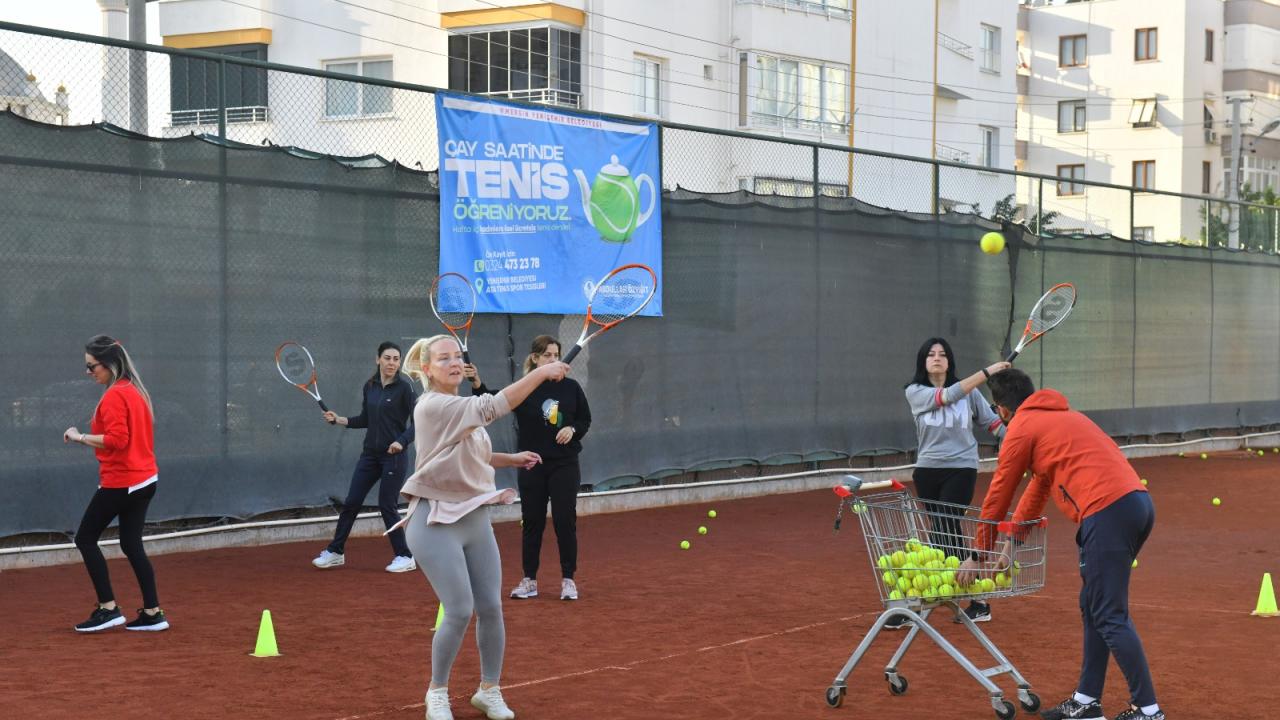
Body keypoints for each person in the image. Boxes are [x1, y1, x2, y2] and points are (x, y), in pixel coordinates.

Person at [956, 368, 1163, 720]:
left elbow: (998, 494)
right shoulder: (1062, 418)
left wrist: (978, 554)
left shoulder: (1022, 428)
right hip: (1136, 506)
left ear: (1002, 410)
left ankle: (1149, 710)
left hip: (1107, 511)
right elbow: (1038, 488)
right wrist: (1010, 546)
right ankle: (1086, 701)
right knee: (1093, 605)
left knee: (1109, 614)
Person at [395, 334, 569, 720]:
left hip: (473, 517)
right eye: (443, 359)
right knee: (458, 609)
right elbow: (494, 405)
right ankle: (437, 693)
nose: (454, 363)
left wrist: (509, 458)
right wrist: (541, 373)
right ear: (426, 368)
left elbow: (471, 451)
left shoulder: (457, 407)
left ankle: (489, 690)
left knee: (491, 607)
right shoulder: (433, 406)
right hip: (434, 521)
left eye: (457, 356)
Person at [469, 336, 591, 602]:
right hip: (532, 464)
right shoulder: (523, 389)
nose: (553, 360)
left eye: (556, 355)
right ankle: (529, 580)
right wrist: (477, 384)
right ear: (535, 358)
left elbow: (585, 420)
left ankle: (568, 580)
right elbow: (491, 403)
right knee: (532, 522)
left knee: (564, 521)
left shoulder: (572, 388)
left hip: (564, 464)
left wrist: (572, 429)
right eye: (547, 355)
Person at [897, 337, 1009, 628]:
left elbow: (993, 424)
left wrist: (1016, 442)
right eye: (931, 354)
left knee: (946, 523)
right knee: (942, 529)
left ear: (950, 361)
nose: (937, 358)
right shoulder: (915, 392)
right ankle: (968, 598)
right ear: (923, 362)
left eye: (943, 354)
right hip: (927, 470)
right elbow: (945, 397)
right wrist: (987, 373)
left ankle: (951, 599)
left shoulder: (971, 394)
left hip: (961, 468)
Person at [62, 335, 168, 633]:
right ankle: (153, 612)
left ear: (109, 363)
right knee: (131, 543)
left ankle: (108, 609)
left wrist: (79, 436)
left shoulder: (114, 396)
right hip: (145, 479)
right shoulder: (134, 391)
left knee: (85, 538)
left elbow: (118, 441)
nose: (88, 372)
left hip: (123, 481)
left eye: (92, 366)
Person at [313, 341, 418, 573]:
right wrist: (340, 419)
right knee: (351, 502)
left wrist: (401, 442)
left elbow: (419, 422)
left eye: (396, 359)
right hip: (370, 455)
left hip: (394, 457)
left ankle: (405, 555)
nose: (392, 363)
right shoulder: (369, 386)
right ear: (377, 359)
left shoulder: (405, 388)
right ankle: (336, 551)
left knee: (386, 505)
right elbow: (366, 419)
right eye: (388, 358)